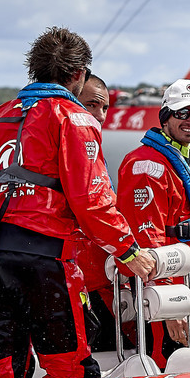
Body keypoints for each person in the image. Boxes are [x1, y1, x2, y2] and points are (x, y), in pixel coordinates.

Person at [0, 28, 157, 378]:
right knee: (69, 369)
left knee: (0, 373)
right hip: (41, 257)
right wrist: (128, 251)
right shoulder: (74, 118)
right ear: (79, 74)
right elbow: (91, 198)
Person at [116, 78, 190, 365]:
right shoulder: (146, 165)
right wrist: (168, 305)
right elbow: (147, 242)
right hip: (164, 293)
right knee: (171, 365)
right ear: (166, 116)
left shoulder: (189, 161)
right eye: (182, 113)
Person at [70, 73, 121, 352]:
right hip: (81, 282)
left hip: (101, 279)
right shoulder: (69, 143)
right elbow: (91, 205)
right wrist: (130, 252)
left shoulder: (91, 146)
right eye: (91, 105)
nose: (100, 116)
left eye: (104, 108)